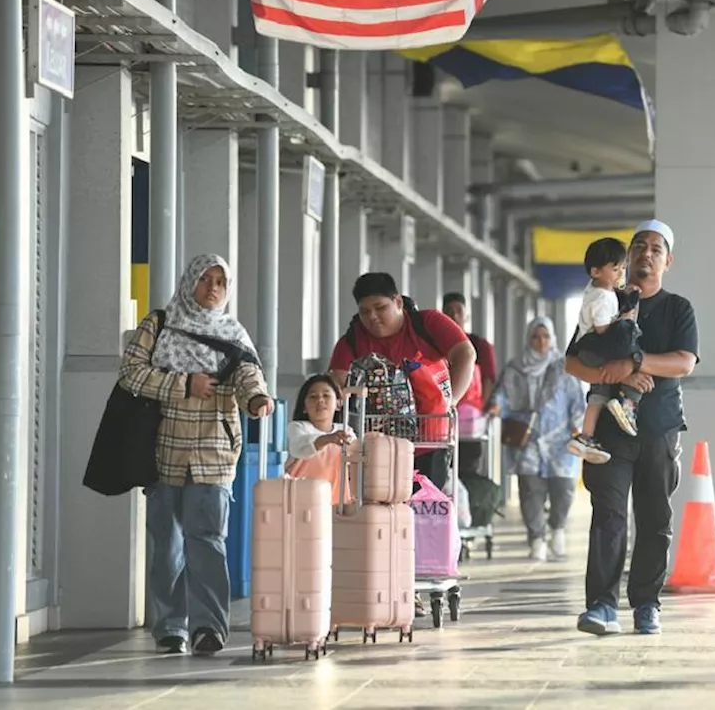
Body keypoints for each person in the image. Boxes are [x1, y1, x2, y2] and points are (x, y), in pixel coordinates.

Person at [118, 253, 274, 656]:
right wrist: (184, 384)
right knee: (166, 542)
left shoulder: (232, 332)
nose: (213, 288)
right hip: (162, 449)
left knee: (208, 541)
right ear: (189, 282)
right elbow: (131, 372)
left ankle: (209, 627)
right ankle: (170, 626)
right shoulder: (159, 325)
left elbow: (247, 372)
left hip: (214, 451)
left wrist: (257, 399)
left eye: (221, 281)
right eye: (204, 280)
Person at [565, 220, 698, 637]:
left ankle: (646, 603)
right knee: (607, 516)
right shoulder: (605, 300)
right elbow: (572, 361)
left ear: (667, 260)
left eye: (656, 248)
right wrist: (614, 374)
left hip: (658, 428)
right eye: (638, 246)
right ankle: (602, 606)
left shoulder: (678, 308)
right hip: (608, 432)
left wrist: (635, 364)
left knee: (655, 517)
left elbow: (684, 362)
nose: (646, 253)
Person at [328, 272, 476, 489]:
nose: (373, 317)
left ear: (398, 302)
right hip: (377, 444)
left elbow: (465, 354)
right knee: (379, 505)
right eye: (365, 311)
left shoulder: (428, 322)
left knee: (422, 507)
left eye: (380, 308)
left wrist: (451, 401)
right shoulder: (353, 339)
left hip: (430, 439)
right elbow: (336, 380)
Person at [490, 317, 586, 561]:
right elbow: (502, 394)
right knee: (530, 491)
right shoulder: (516, 368)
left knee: (563, 489)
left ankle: (557, 529)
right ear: (529, 339)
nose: (541, 342)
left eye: (545, 336)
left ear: (552, 338)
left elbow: (577, 399)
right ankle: (537, 538)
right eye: (535, 336)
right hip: (528, 440)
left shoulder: (565, 367)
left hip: (560, 440)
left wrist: (580, 426)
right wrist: (496, 407)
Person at [568, 237, 644, 464]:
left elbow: (612, 294)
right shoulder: (601, 297)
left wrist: (623, 292)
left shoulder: (598, 289)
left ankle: (585, 437)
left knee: (598, 396)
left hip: (587, 349)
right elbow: (603, 330)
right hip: (595, 346)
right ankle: (626, 403)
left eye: (622, 267)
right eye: (615, 269)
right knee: (631, 343)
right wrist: (625, 318)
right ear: (596, 271)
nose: (621, 273)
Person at [285, 373, 353, 504]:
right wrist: (328, 439)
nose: (320, 400)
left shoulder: (346, 430)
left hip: (336, 505)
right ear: (304, 407)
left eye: (326, 395)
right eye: (313, 396)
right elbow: (299, 448)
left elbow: (356, 454)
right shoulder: (297, 427)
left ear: (338, 404)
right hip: (300, 504)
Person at [442, 292, 498, 405]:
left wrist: (482, 410)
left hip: (472, 413)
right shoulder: (436, 345)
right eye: (448, 311)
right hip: (444, 409)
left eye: (459, 311)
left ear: (467, 316)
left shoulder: (481, 346)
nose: (454, 316)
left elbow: (488, 379)